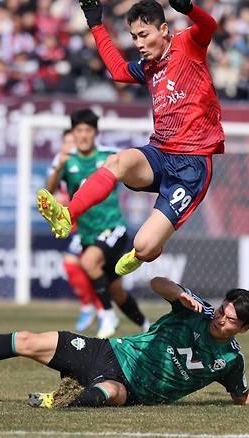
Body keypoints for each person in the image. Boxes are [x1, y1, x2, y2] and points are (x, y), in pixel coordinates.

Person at [0, 277, 249, 409]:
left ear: (242, 329)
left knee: (104, 394)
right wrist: (178, 292)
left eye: (230, 321)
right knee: (27, 339)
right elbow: (156, 282)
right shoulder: (195, 308)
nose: (221, 319)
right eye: (222, 311)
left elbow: (242, 397)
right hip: (109, 352)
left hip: (133, 389)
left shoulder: (231, 359)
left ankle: (60, 399)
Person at [36, 0, 224, 276]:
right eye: (134, 37)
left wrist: (190, 8)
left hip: (191, 166)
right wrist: (96, 24)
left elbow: (209, 25)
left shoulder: (189, 44)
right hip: (159, 153)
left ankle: (146, 251)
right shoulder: (149, 67)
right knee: (117, 161)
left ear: (163, 29)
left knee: (145, 246)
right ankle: (67, 215)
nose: (138, 43)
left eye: (144, 35)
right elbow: (118, 71)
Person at [46, 109, 150, 338]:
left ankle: (106, 315)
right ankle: (147, 327)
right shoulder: (67, 161)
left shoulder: (109, 157)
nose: (83, 135)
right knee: (116, 291)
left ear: (95, 133)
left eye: (88, 130)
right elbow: (51, 190)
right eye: (79, 130)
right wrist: (59, 165)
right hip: (87, 234)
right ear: (73, 133)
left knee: (88, 261)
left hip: (113, 227)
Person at [50, 128, 104, 332]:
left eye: (73, 142)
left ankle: (95, 308)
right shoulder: (59, 167)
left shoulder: (89, 164)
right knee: (78, 264)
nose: (70, 146)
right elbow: (50, 193)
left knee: (75, 261)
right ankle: (96, 308)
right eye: (67, 142)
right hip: (71, 224)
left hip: (91, 224)